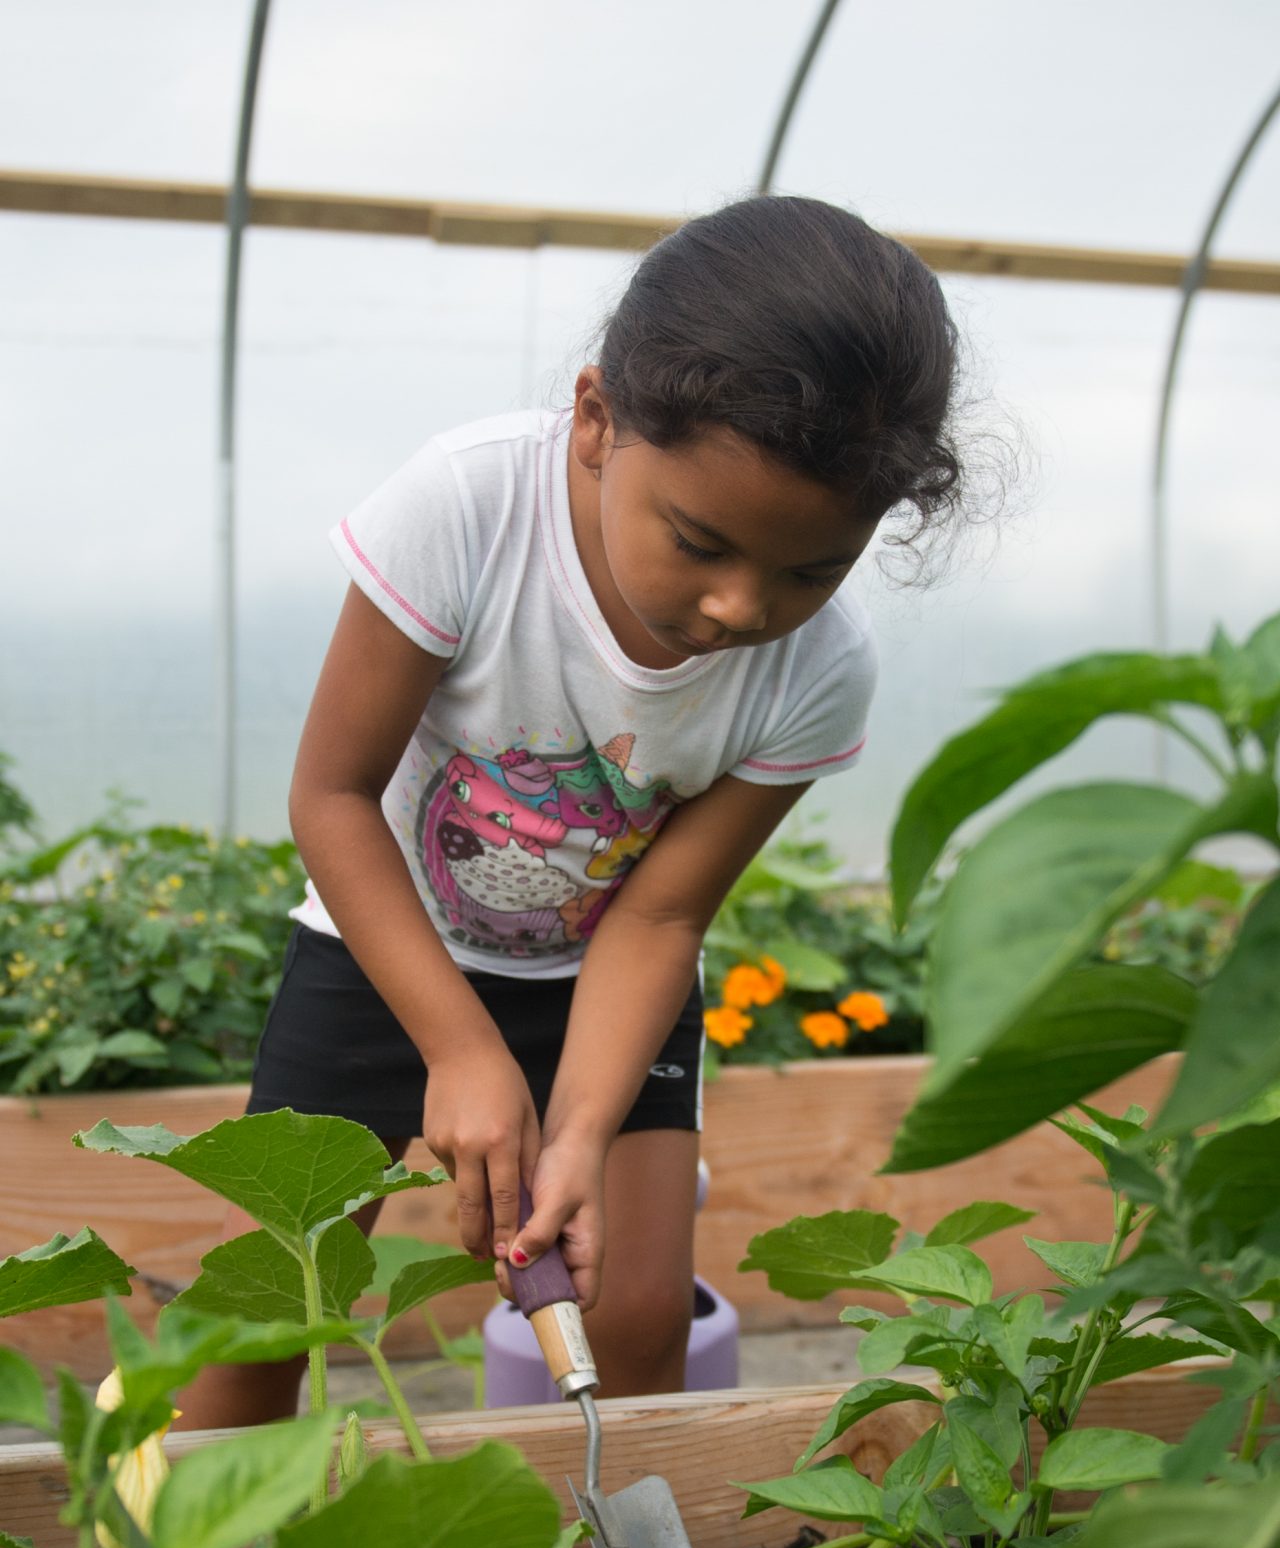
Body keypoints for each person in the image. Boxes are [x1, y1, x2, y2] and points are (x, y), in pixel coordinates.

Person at [178, 193, 965, 1429]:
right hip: (382, 942)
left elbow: (659, 916)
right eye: (698, 542)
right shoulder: (468, 506)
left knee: (637, 1311)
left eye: (809, 569)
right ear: (597, 419)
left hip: (610, 972)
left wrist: (578, 1127)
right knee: (268, 1307)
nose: (738, 609)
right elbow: (331, 798)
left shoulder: (821, 670)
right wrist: (455, 1045)